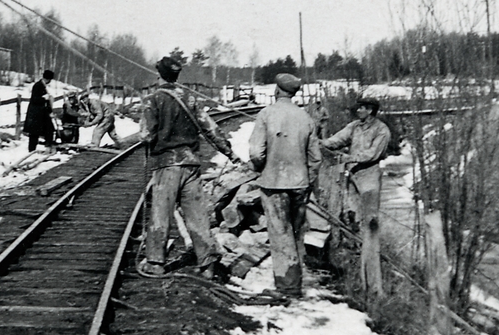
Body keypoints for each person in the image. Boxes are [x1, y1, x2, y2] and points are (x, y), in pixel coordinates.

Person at [137, 55, 236, 281]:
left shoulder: (152, 99)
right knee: (197, 215)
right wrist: (229, 153)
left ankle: (155, 262)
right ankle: (208, 264)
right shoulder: (191, 99)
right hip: (191, 164)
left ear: (158, 74)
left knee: (160, 213)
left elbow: (145, 135)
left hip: (167, 165)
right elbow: (211, 129)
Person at [247, 73, 323, 297]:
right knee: (296, 231)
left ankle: (287, 287)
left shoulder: (266, 114)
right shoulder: (306, 117)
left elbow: (256, 152)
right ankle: (297, 279)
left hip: (275, 182)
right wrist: (308, 180)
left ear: (277, 91)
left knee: (280, 233)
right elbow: (316, 157)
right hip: (300, 183)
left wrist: (261, 166)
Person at [320, 96, 391, 299]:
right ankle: (354, 253)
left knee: (369, 221)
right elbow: (338, 140)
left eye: (362, 108)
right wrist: (321, 143)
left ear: (371, 110)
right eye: (358, 107)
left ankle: (370, 269)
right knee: (352, 215)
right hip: (353, 176)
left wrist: (349, 157)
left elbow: (372, 154)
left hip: (369, 178)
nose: (358, 111)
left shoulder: (381, 130)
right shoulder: (354, 126)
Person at [23, 69, 57, 153]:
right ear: (47, 79)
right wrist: (43, 98)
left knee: (49, 129)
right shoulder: (37, 86)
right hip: (35, 114)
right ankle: (32, 150)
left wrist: (50, 111)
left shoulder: (43, 86)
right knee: (35, 132)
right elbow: (34, 99)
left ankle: (48, 147)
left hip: (42, 113)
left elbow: (47, 101)